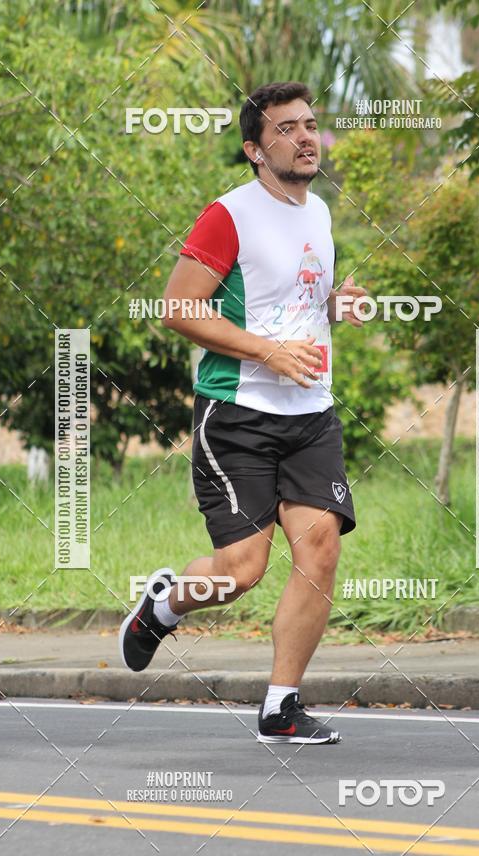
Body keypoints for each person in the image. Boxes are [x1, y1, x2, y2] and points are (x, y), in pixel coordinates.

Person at [119, 81, 367, 744]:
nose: (307, 137)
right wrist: (267, 352)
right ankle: (162, 606)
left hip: (311, 413)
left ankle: (280, 706)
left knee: (319, 550)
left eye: (311, 124)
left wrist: (337, 307)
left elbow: (293, 304)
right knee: (242, 572)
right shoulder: (227, 214)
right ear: (256, 150)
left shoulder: (318, 214)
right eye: (287, 129)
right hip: (238, 414)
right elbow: (181, 308)